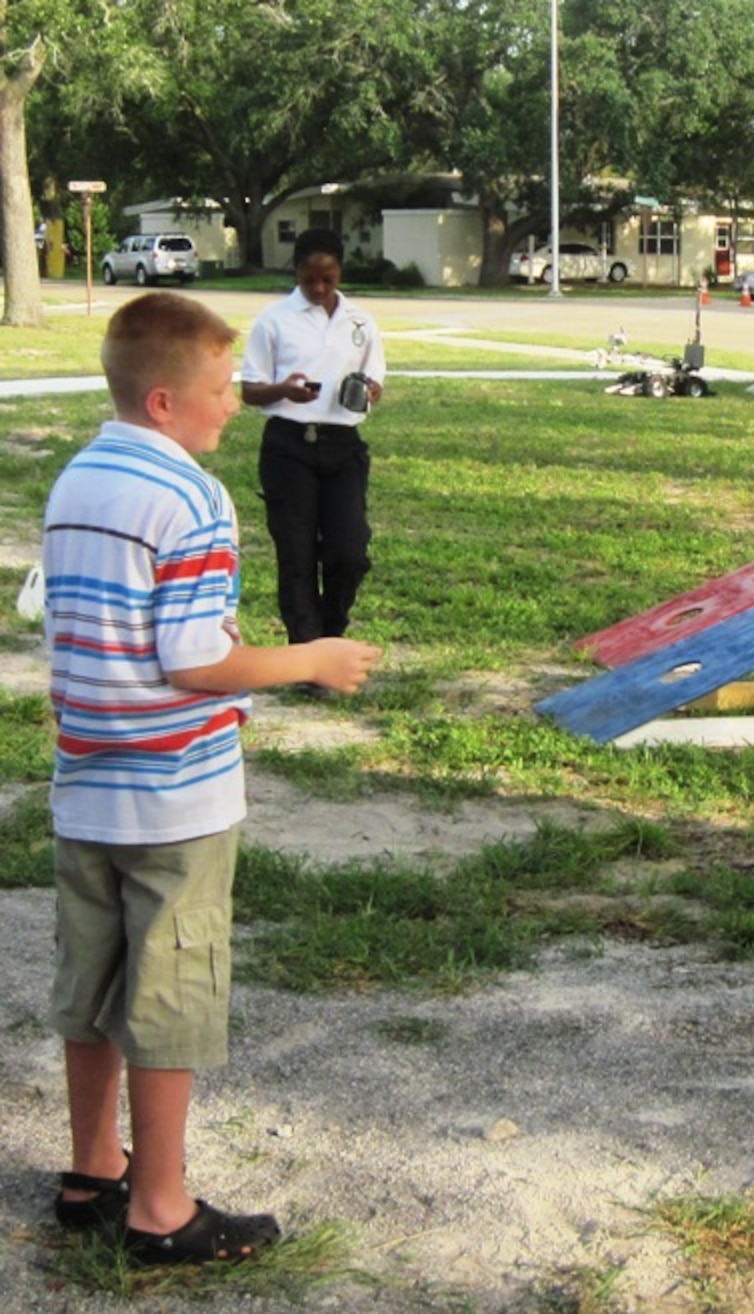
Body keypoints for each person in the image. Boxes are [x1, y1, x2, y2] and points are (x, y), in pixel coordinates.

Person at [43, 292, 381, 1263]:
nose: (235, 402)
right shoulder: (191, 497)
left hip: (86, 786)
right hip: (173, 799)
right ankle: (159, 1207)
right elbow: (193, 659)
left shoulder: (75, 481)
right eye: (221, 388)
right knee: (170, 998)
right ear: (163, 402)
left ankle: (89, 1171)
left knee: (91, 987)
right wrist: (311, 660)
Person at [239, 228, 386, 654]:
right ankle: (308, 654)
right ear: (296, 272)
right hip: (289, 447)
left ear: (341, 271)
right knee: (297, 555)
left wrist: (371, 391)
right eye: (309, 280)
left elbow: (374, 378)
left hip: (342, 444)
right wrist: (283, 389)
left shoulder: (360, 321)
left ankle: (331, 632)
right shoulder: (274, 320)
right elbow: (250, 391)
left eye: (329, 278)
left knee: (350, 551)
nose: (319, 288)